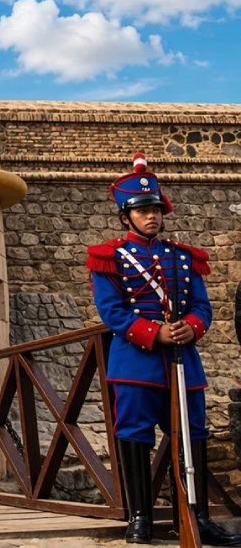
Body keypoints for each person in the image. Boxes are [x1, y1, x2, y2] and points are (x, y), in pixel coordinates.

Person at [88, 153, 241, 546]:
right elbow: (112, 311)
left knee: (193, 434)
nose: (151, 216)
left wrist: (191, 329)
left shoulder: (183, 257)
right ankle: (140, 518)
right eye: (142, 211)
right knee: (136, 435)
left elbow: (201, 307)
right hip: (136, 362)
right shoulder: (109, 258)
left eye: (155, 209)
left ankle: (195, 518)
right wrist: (155, 334)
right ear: (126, 216)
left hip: (183, 363)